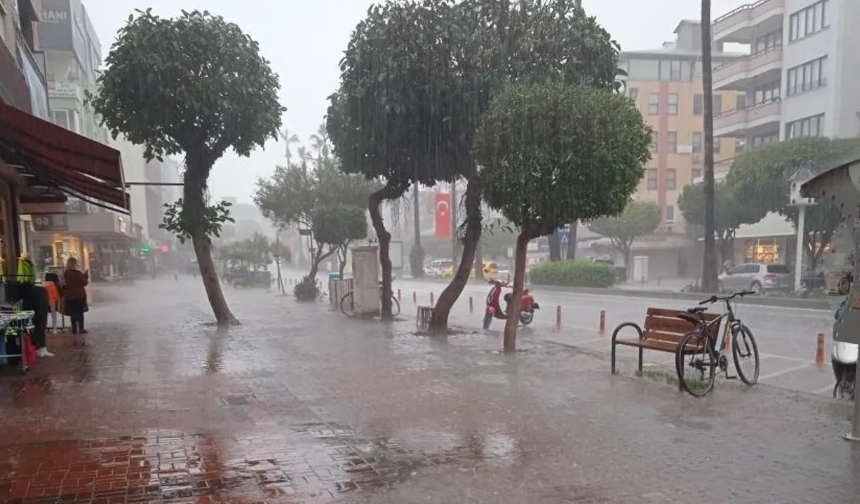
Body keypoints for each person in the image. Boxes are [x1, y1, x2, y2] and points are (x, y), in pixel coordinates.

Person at [63, 257, 89, 334]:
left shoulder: (66, 273)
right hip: (80, 295)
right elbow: (84, 283)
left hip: (70, 296)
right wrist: (86, 276)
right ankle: (81, 328)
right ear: (74, 264)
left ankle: (74, 329)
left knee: (73, 313)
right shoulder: (78, 273)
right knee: (80, 313)